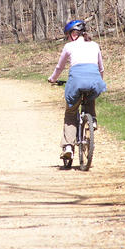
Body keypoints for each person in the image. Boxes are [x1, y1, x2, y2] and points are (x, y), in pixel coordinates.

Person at [48, 20, 107, 160]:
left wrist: (52, 79)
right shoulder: (95, 45)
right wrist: (100, 81)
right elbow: (101, 68)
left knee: (70, 112)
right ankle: (92, 120)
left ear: (73, 34)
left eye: (68, 35)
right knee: (90, 97)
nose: (68, 38)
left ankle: (68, 146)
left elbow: (59, 68)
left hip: (76, 82)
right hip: (95, 80)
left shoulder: (69, 46)